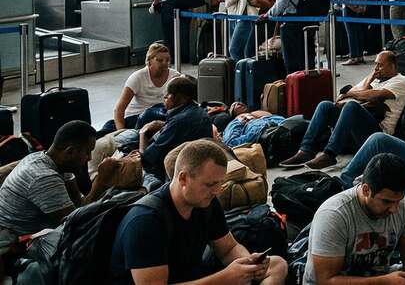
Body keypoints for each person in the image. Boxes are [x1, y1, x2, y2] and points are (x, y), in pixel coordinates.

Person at [112, 140, 288, 285]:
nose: (217, 191)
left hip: (194, 277)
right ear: (183, 178)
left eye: (220, 183)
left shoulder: (205, 203)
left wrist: (249, 264)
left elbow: (228, 249)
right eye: (210, 184)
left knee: (277, 264)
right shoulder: (146, 221)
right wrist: (226, 278)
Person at [305, 154, 405, 285]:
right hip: (349, 281)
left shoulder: (402, 202)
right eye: (387, 202)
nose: (394, 209)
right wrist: (383, 282)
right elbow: (326, 280)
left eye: (398, 200)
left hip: (382, 275)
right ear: (366, 190)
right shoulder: (334, 215)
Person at [0, 121, 117, 256]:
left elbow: (79, 203)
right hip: (19, 240)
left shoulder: (54, 162)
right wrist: (101, 181)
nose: (89, 158)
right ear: (70, 151)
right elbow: (76, 223)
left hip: (32, 230)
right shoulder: (44, 177)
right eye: (87, 152)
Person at [280, 51, 405, 169]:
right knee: (325, 105)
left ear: (392, 65)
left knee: (351, 106)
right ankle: (306, 150)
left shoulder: (401, 81)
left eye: (380, 65)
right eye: (375, 65)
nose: (376, 69)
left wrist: (353, 95)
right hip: (355, 132)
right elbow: (351, 92)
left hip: (378, 133)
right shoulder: (376, 78)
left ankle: (330, 154)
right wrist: (370, 79)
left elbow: (374, 95)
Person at [139, 76, 213, 185]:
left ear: (179, 98)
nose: (164, 98)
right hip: (196, 163)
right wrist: (165, 125)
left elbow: (147, 159)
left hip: (168, 173)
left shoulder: (179, 122)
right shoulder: (198, 112)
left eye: (167, 96)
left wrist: (143, 133)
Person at [104, 42, 180, 134]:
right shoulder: (137, 77)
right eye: (160, 60)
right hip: (135, 117)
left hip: (160, 115)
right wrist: (121, 132)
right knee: (108, 128)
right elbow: (119, 109)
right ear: (149, 61)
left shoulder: (175, 77)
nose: (165, 63)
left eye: (167, 60)